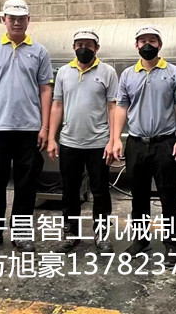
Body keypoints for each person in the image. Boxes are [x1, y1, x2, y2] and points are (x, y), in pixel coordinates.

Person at [0, 0, 53, 255]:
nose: (17, 22)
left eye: (21, 18)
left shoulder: (39, 52)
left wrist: (45, 127)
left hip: (29, 130)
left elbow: (45, 90)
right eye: (12, 18)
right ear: (3, 20)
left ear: (28, 20)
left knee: (26, 185)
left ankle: (21, 234)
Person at [112, 26, 176, 263]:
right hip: (136, 143)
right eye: (143, 41)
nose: (147, 45)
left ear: (160, 45)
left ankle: (172, 244)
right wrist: (116, 138)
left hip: (164, 143)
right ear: (136, 45)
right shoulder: (128, 75)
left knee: (168, 195)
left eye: (152, 41)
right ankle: (141, 240)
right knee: (138, 195)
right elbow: (121, 107)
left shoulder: (173, 73)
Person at [47, 28, 118, 253]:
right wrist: (51, 138)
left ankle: (102, 235)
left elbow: (113, 107)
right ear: (73, 47)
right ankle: (71, 234)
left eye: (88, 45)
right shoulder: (64, 72)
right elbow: (57, 105)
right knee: (69, 190)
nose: (83, 49)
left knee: (100, 191)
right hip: (70, 142)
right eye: (79, 45)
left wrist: (113, 139)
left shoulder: (107, 72)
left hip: (99, 143)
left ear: (97, 48)